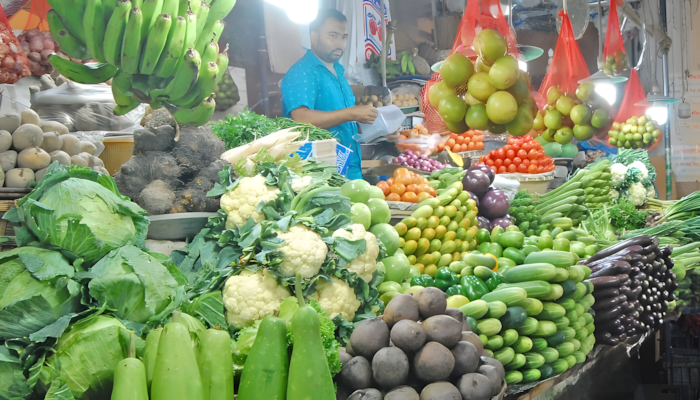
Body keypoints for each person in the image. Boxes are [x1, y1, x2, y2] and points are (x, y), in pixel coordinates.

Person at [281, 9, 378, 180]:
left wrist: (382, 128)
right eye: (332, 35)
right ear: (313, 36)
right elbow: (300, 118)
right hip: (321, 176)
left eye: (344, 37)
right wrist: (351, 113)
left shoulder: (338, 72)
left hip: (350, 168)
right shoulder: (303, 72)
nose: (339, 43)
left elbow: (343, 122)